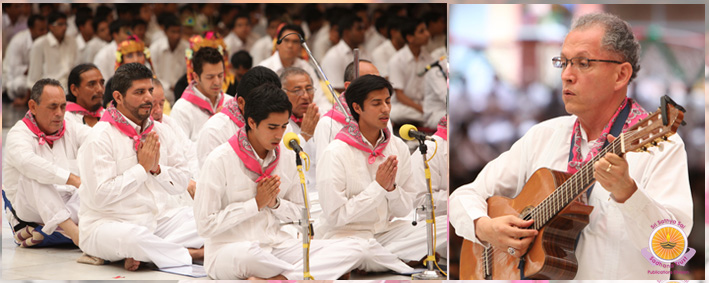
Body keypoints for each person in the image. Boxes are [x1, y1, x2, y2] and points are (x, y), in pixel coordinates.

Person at [448, 12, 693, 280]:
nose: (566, 75)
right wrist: (484, 227)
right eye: (563, 62)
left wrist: (628, 193)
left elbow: (672, 250)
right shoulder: (544, 135)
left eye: (583, 63)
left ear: (621, 75)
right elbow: (464, 196)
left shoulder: (663, 146)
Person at [194, 83, 367, 279]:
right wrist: (255, 204)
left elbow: (302, 213)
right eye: (272, 127)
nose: (279, 134)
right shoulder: (220, 159)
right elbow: (205, 225)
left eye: (284, 126)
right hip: (231, 250)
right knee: (250, 255)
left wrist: (275, 203)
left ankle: (281, 278)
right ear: (251, 122)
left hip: (276, 246)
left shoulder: (288, 155)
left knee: (357, 247)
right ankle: (305, 274)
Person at [77, 63, 201, 271]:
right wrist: (141, 169)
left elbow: (180, 182)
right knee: (133, 238)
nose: (149, 98)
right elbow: (100, 195)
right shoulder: (100, 137)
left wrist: (156, 170)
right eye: (139, 92)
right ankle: (195, 253)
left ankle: (149, 254)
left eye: (150, 90)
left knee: (203, 217)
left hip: (156, 221)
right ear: (118, 97)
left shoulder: (160, 131)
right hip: (108, 225)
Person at [316, 74, 437, 269]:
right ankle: (396, 260)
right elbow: (336, 217)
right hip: (347, 236)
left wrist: (391, 189)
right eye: (376, 103)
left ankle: (381, 260)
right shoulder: (336, 152)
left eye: (388, 101)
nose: (385, 109)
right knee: (361, 251)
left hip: (385, 232)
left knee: (437, 228)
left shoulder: (397, 146)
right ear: (357, 108)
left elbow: (404, 210)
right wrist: (378, 188)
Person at [3, 78, 90, 248]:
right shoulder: (18, 133)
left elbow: (97, 140)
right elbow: (27, 162)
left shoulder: (70, 126)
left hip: (71, 205)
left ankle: (50, 230)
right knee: (32, 176)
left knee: (99, 173)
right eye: (52, 106)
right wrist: (72, 179)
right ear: (33, 107)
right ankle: (73, 232)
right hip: (30, 208)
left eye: (63, 107)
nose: (59, 113)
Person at [196, 66, 280, 169]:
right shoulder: (215, 131)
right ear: (241, 103)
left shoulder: (280, 122)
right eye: (263, 107)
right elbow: (209, 180)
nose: (268, 113)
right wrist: (255, 186)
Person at [257, 24, 330, 111]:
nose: (290, 45)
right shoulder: (264, 68)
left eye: (295, 42)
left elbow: (319, 99)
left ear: (301, 47)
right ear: (277, 44)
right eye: (286, 40)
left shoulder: (306, 67)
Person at [171, 46, 233, 141]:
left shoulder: (231, 103)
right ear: (195, 77)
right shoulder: (182, 109)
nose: (217, 82)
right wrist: (213, 123)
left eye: (220, 75)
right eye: (210, 77)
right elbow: (180, 151)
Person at [387, 18, 432, 126]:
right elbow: (399, 95)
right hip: (403, 106)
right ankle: (427, 119)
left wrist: (426, 107)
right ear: (410, 38)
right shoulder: (397, 60)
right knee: (394, 113)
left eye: (426, 30)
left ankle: (428, 118)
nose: (427, 34)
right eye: (421, 31)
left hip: (424, 104)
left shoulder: (429, 58)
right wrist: (422, 110)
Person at [27, 11, 78, 91]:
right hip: (49, 90)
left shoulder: (72, 41)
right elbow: (33, 77)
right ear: (51, 27)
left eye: (65, 24)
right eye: (60, 24)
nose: (64, 27)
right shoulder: (40, 44)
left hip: (70, 88)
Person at [3, 14, 47, 106]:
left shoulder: (45, 41)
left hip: (38, 78)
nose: (44, 33)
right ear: (31, 29)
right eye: (41, 30)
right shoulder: (18, 41)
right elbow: (13, 69)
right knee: (20, 84)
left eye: (45, 29)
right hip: (16, 80)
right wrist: (32, 69)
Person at [321, 14, 368, 92]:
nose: (363, 32)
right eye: (359, 29)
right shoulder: (333, 56)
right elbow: (336, 89)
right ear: (346, 32)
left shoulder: (365, 51)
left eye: (363, 28)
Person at [149, 13, 189, 105]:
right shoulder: (155, 48)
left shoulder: (186, 48)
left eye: (179, 32)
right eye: (173, 32)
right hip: (159, 93)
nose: (176, 36)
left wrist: (179, 86)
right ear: (165, 32)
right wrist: (168, 87)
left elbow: (187, 72)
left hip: (181, 93)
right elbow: (152, 73)